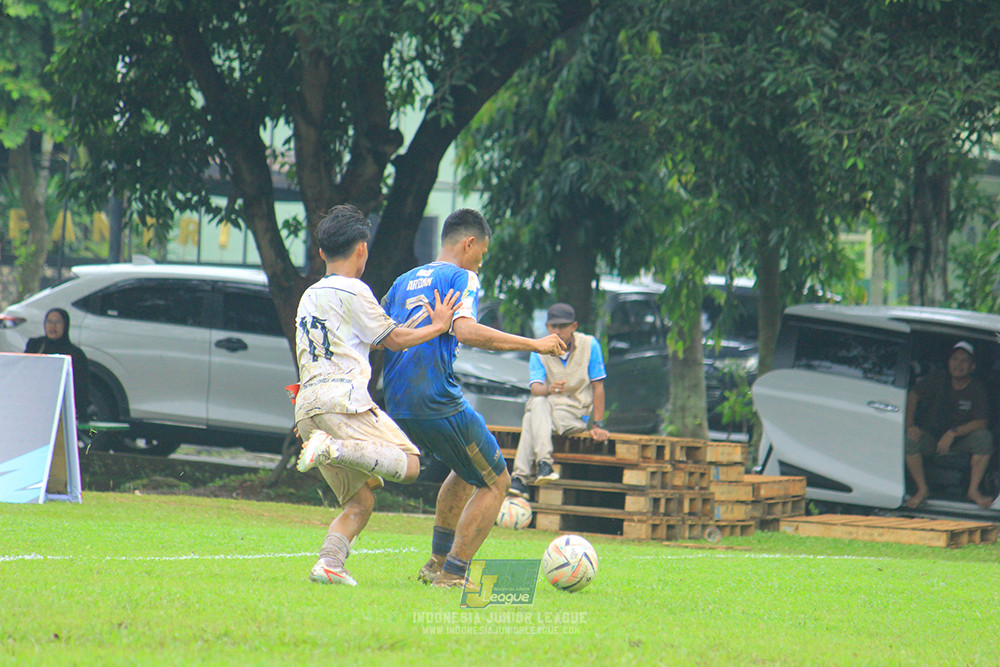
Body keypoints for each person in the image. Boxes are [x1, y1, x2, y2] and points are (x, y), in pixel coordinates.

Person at [381, 208, 566, 588]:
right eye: (482, 252)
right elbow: (465, 331)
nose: (482, 261)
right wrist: (535, 344)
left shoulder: (405, 280)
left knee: (466, 469)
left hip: (397, 398)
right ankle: (454, 572)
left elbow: (379, 332)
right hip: (434, 395)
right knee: (497, 480)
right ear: (469, 244)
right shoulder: (461, 276)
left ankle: (436, 562)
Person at [293, 204, 462, 586]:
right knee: (411, 462)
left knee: (361, 501)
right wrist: (438, 326)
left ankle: (330, 563)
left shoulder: (308, 296)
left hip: (307, 405)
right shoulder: (354, 289)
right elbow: (395, 339)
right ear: (363, 249)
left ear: (321, 253)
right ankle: (333, 447)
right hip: (343, 401)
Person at [507, 302, 610, 499]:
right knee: (537, 403)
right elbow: (535, 389)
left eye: (562, 326)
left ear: (574, 326)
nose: (557, 331)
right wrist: (549, 389)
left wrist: (598, 423)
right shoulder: (538, 348)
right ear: (547, 327)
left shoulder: (590, 345)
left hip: (575, 412)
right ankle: (543, 465)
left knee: (531, 419)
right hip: (547, 408)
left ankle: (520, 479)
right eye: (553, 326)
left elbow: (598, 386)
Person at [904, 341, 995, 509]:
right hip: (931, 438)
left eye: (964, 361)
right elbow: (914, 394)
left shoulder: (977, 388)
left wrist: (953, 433)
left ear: (972, 366)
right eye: (955, 359)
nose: (958, 364)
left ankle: (973, 490)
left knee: (984, 438)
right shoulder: (938, 378)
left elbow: (982, 421)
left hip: (960, 442)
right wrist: (910, 424)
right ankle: (922, 489)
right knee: (910, 440)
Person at [24, 307, 90, 420]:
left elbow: (80, 390)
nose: (53, 326)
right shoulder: (35, 345)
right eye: (49, 321)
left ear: (65, 325)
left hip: (62, 411)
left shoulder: (75, 354)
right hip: (35, 407)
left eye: (57, 322)